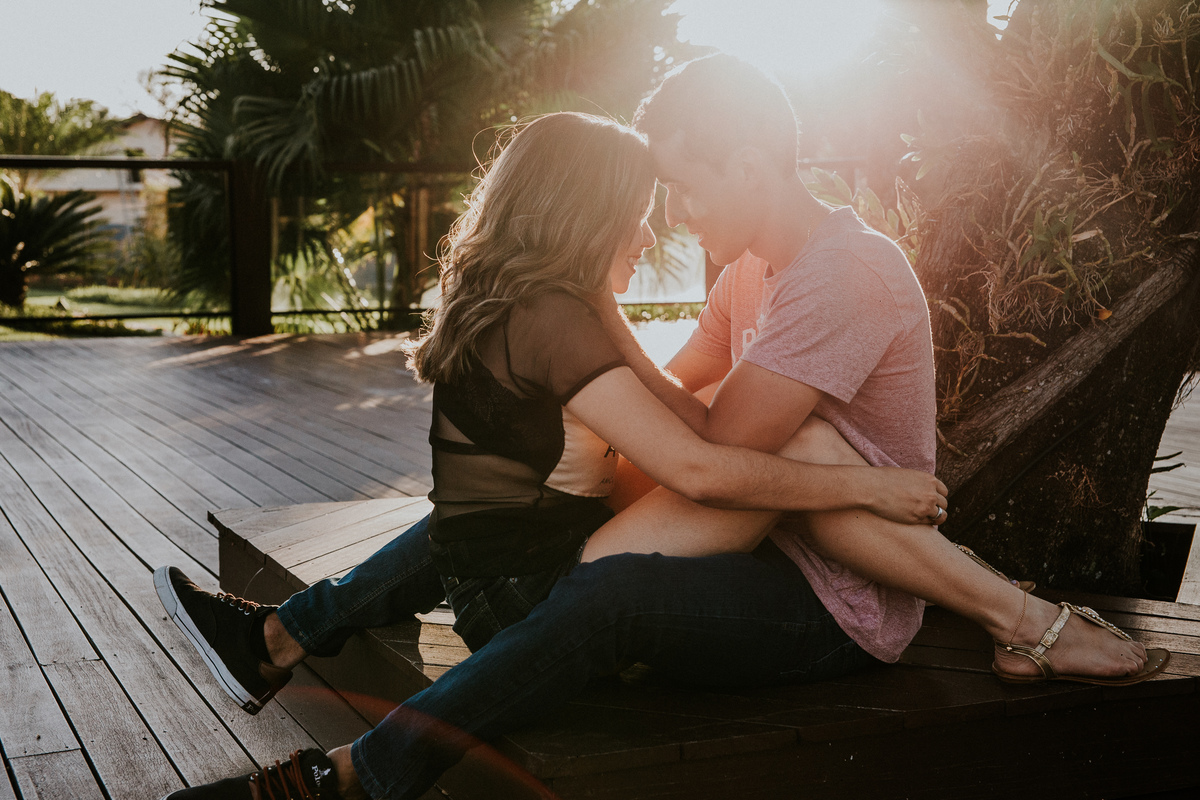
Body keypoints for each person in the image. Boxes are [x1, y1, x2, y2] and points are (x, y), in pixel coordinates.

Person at [156, 57, 1167, 800]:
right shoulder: (745, 274)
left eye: (686, 183)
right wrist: (591, 351)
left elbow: (718, 450)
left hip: (827, 601)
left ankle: (351, 779)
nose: (673, 212)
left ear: (753, 165)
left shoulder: (841, 273)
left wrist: (600, 352)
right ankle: (289, 629)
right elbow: (662, 413)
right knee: (527, 506)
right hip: (731, 534)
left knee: (648, 563)